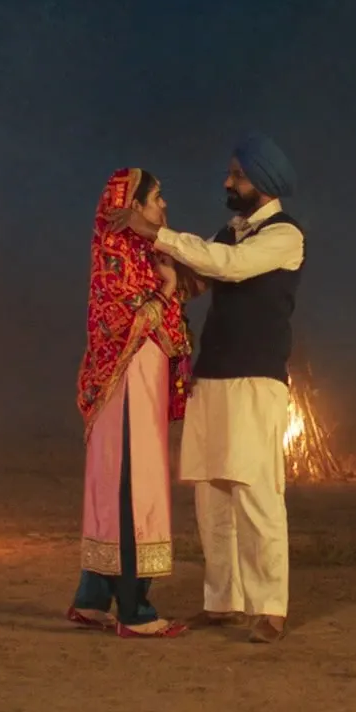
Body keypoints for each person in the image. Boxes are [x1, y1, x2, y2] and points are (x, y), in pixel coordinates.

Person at [106, 133, 304, 644]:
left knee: (256, 492)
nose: (228, 182)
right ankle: (223, 600)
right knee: (211, 496)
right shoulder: (230, 233)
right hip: (212, 377)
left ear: (262, 181)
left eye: (237, 175)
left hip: (255, 382)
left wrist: (158, 233)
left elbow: (228, 267)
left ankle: (270, 606)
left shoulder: (285, 236)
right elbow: (203, 277)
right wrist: (166, 273)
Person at [68, 167, 194, 639]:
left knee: (113, 487)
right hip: (127, 390)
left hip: (131, 389)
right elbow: (136, 318)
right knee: (132, 489)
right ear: (133, 206)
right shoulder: (119, 255)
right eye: (156, 198)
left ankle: (93, 599)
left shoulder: (138, 253)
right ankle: (133, 611)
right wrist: (167, 288)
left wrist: (169, 280)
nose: (164, 206)